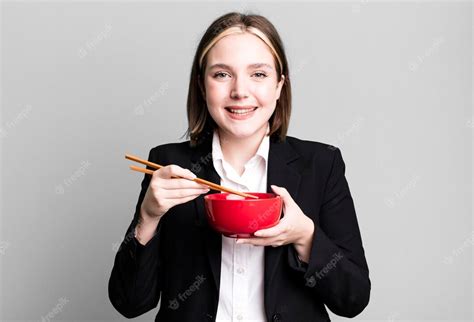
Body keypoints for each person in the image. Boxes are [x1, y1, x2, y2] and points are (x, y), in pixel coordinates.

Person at [108, 12, 371, 322]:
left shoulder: (320, 164)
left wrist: (306, 236)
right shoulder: (169, 164)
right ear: (202, 85)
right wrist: (148, 218)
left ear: (279, 85)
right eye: (222, 74)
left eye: (258, 74)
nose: (240, 91)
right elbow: (130, 304)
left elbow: (353, 299)